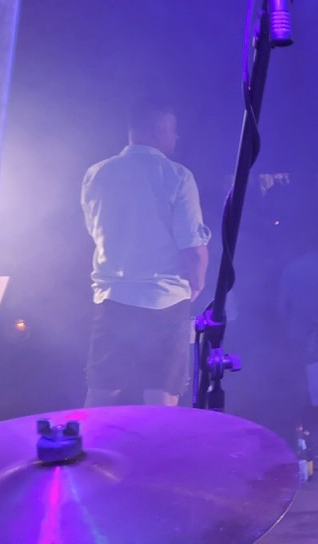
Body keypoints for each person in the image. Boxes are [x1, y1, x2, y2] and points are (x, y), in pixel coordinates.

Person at [81, 99, 211, 407]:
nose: (176, 137)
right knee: (160, 393)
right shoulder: (176, 176)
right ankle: (158, 443)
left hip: (113, 297)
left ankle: (89, 440)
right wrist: (196, 285)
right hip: (165, 299)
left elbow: (95, 231)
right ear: (160, 129)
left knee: (103, 391)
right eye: (173, 130)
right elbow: (192, 247)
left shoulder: (96, 174)